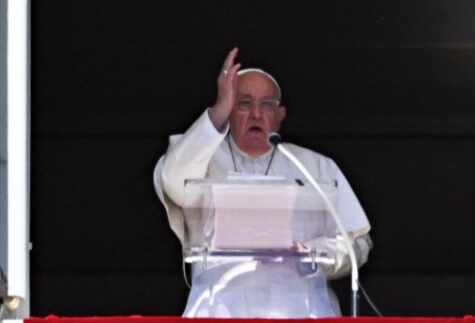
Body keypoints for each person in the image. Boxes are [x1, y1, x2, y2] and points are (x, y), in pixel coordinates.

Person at [153, 47, 372, 318]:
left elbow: (357, 243)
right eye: (243, 103)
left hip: (301, 310)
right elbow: (173, 182)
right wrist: (219, 109)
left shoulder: (316, 166)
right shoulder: (203, 158)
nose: (256, 114)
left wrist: (312, 253)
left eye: (267, 105)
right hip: (220, 309)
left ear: (280, 115)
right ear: (230, 110)